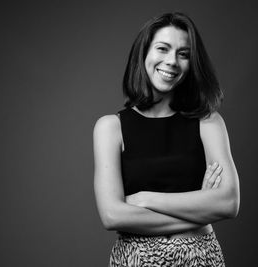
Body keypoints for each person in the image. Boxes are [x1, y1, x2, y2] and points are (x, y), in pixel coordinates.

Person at [93, 12, 240, 266]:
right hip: (136, 260)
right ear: (144, 54)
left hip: (201, 258)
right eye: (163, 48)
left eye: (183, 54)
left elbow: (229, 202)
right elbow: (112, 215)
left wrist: (146, 199)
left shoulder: (208, 122)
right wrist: (201, 211)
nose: (172, 61)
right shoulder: (110, 127)